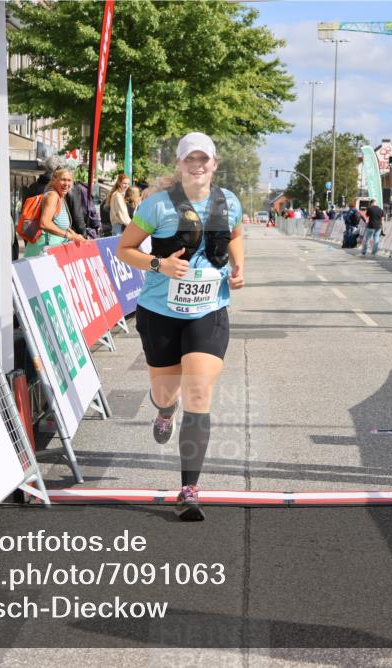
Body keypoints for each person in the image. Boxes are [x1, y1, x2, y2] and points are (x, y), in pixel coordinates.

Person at [116, 132, 245, 522]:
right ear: (179, 164)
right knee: (166, 392)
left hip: (210, 309)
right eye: (190, 159)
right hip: (160, 311)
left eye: (204, 158)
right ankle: (164, 412)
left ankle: (189, 489)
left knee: (199, 392)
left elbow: (236, 236)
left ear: (215, 163)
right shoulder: (157, 206)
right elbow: (125, 249)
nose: (198, 165)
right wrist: (160, 265)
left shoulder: (230, 202)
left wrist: (239, 267)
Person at [23, 166, 84, 257]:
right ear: (54, 179)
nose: (66, 184)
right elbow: (44, 223)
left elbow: (59, 224)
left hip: (49, 251)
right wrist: (68, 235)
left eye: (69, 180)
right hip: (42, 251)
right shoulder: (53, 196)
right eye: (63, 179)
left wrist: (75, 236)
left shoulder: (60, 197)